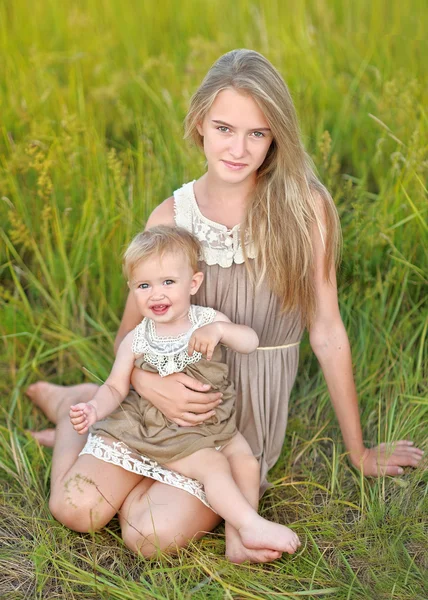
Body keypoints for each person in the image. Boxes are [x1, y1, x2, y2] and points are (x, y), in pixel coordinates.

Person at [27, 49, 423, 563]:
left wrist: (359, 451)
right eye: (224, 128)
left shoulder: (305, 208)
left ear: (276, 136)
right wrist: (144, 382)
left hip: (236, 415)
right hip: (158, 397)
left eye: (257, 133)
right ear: (199, 125)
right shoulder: (172, 216)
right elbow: (135, 327)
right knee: (76, 509)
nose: (239, 148)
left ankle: (145, 477)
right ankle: (70, 413)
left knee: (148, 536)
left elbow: (326, 330)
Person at [68, 225, 300, 557]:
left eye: (168, 283)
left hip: (207, 425)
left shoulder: (206, 321)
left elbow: (250, 342)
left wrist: (221, 330)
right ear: (132, 289)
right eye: (144, 285)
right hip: (161, 430)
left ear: (193, 283)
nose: (156, 294)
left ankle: (238, 543)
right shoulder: (137, 339)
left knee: (246, 462)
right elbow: (115, 386)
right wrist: (93, 408)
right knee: (213, 467)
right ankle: (249, 523)